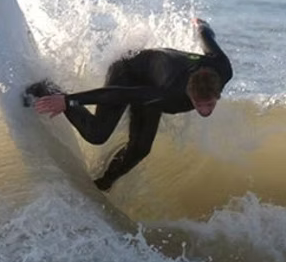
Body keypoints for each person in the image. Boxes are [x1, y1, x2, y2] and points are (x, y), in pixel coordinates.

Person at [26, 18, 233, 191]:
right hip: (129, 70)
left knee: (140, 149)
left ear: (218, 94)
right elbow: (117, 94)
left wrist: (200, 24)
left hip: (152, 78)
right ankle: (47, 89)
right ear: (189, 93)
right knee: (97, 134)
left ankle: (102, 185)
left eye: (209, 105)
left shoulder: (222, 68)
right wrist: (67, 100)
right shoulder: (169, 93)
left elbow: (207, 37)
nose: (204, 111)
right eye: (199, 104)